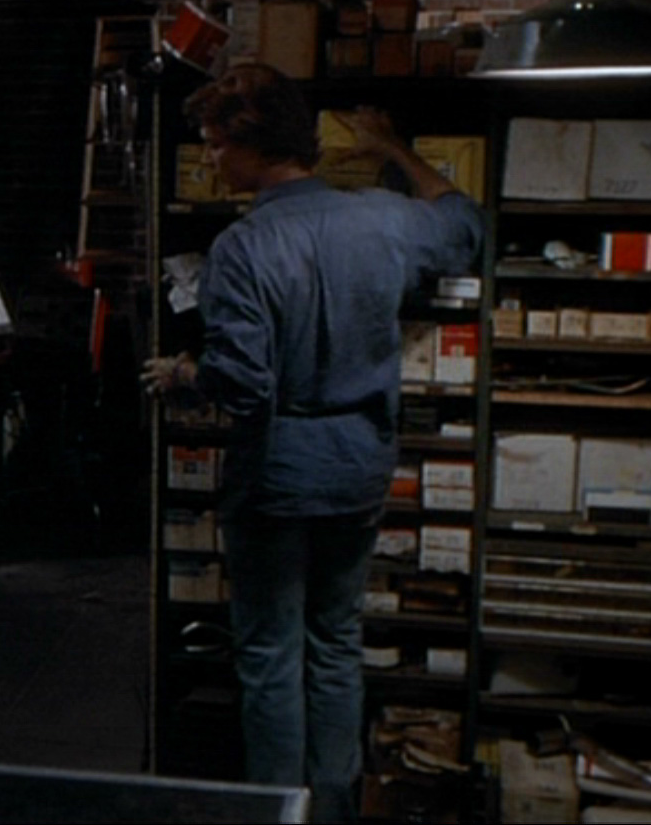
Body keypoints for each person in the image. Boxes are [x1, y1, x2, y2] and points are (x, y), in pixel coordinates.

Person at [141, 63, 483, 822]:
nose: (210, 160)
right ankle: (332, 809)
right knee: (336, 644)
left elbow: (243, 385)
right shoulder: (384, 219)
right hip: (359, 466)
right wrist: (392, 148)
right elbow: (465, 222)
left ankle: (276, 811)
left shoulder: (242, 247)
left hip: (278, 474)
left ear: (252, 145)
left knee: (270, 655)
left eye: (216, 144)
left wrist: (184, 372)